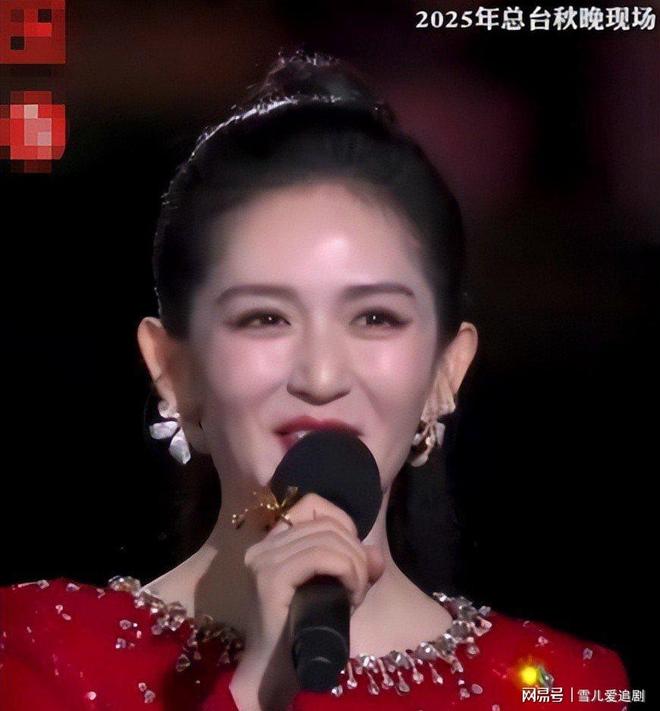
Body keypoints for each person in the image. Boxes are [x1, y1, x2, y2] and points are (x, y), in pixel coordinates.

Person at [0, 49, 629, 710]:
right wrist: (259, 686)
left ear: (448, 369)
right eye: (265, 318)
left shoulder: (558, 687)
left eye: (376, 318)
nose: (322, 376)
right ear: (174, 368)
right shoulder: (36, 655)